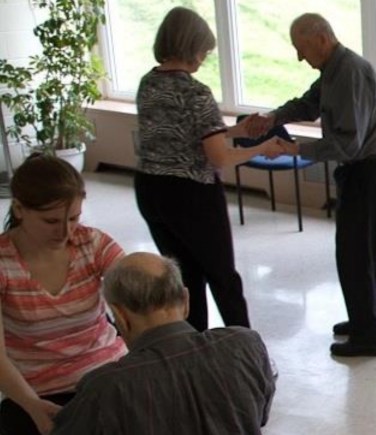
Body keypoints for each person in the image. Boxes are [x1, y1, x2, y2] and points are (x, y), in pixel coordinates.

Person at [247, 13, 376, 357]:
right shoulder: (333, 69)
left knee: (355, 255)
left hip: (368, 171)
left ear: (322, 39)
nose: (300, 57)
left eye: (302, 48)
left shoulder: (350, 72)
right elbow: (309, 104)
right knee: (358, 253)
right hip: (362, 170)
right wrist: (273, 117)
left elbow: (349, 144)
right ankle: (367, 318)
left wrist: (296, 150)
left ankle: (370, 336)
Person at [135, 7, 286, 332]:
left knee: (185, 280)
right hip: (191, 195)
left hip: (150, 189)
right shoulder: (196, 92)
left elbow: (181, 133)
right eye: (204, 51)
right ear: (192, 48)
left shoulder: (148, 83)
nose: (203, 59)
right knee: (222, 277)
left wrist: (235, 130)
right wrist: (261, 148)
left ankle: (193, 347)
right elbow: (220, 158)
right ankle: (245, 347)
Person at [52, 252, 277, 434]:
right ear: (186, 301)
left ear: (120, 316)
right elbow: (259, 416)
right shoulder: (245, 345)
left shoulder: (106, 389)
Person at [0, 155, 127, 435]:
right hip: (35, 390)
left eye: (74, 218)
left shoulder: (92, 242)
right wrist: (32, 405)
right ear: (19, 209)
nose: (65, 231)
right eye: (51, 221)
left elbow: (137, 288)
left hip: (107, 374)